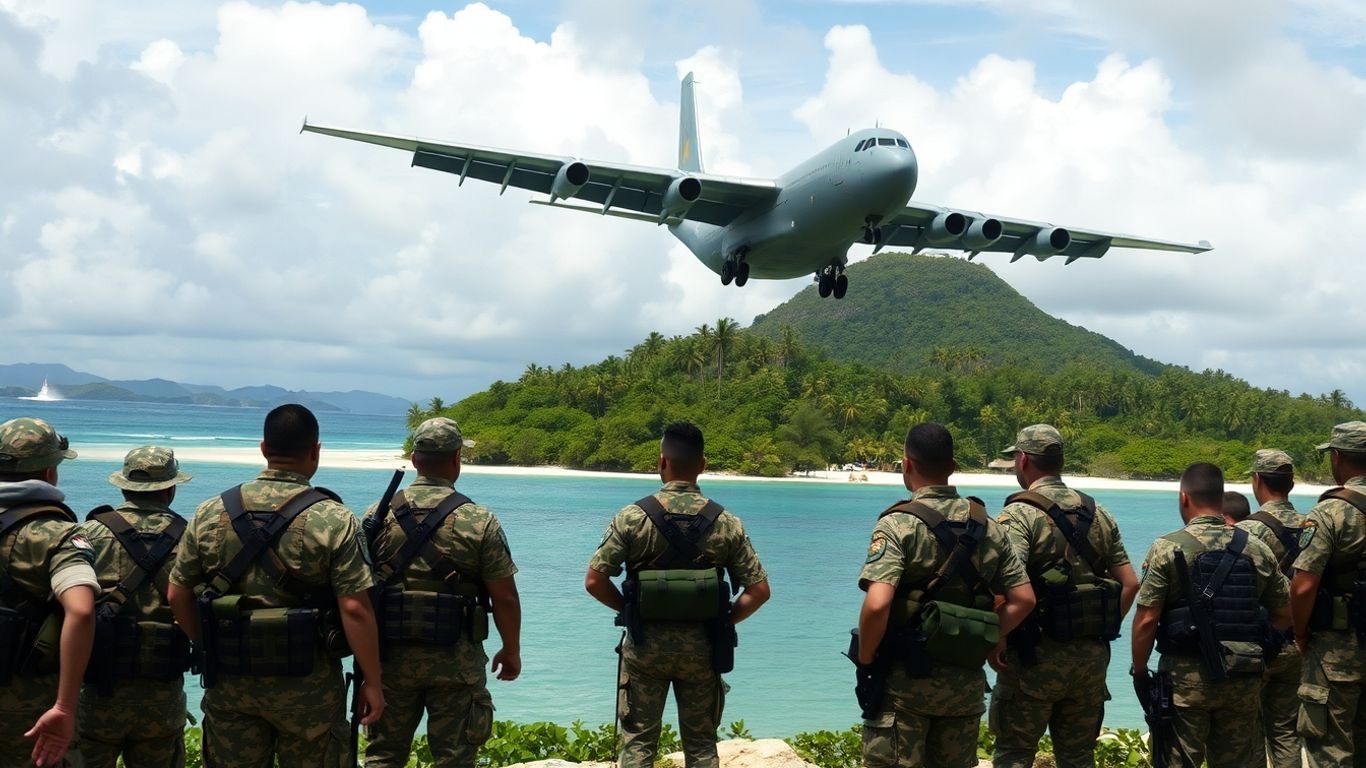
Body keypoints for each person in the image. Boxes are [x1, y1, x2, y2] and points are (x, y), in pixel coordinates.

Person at [167, 404, 385, 767]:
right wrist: (373, 682)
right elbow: (354, 608)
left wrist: (208, 645)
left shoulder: (209, 511)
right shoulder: (336, 518)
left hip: (232, 682)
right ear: (315, 451)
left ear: (264, 448)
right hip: (309, 687)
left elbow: (177, 594)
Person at [585, 422, 770, 768]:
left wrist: (629, 610)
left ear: (661, 462)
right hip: (703, 649)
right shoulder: (727, 522)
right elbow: (759, 591)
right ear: (703, 464)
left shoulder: (632, 517)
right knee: (701, 745)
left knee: (638, 742)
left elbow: (595, 581)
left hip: (644, 647)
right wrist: (724, 619)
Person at [856, 422, 1034, 768]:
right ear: (952, 467)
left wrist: (865, 660)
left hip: (904, 686)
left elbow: (877, 605)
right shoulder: (988, 526)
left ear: (907, 464)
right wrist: (984, 637)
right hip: (963, 688)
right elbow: (1024, 600)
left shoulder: (897, 524)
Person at [363, 417, 521, 768]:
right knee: (455, 758)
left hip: (389, 660)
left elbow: (356, 591)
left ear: (415, 459)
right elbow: (505, 597)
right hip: (456, 662)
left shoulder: (378, 514)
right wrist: (511, 650)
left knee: (383, 756)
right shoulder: (479, 520)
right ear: (457, 459)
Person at [989, 425, 1139, 768]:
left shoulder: (1019, 515)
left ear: (1023, 460)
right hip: (1090, 662)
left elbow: (1007, 586)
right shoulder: (1098, 513)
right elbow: (1130, 584)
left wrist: (998, 636)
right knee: (1078, 757)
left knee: (1014, 754)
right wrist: (1099, 626)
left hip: (1032, 658)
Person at [1131, 462, 1291, 768]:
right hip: (1242, 678)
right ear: (1220, 498)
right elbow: (1285, 613)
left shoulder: (1167, 548)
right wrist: (1261, 652)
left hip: (1185, 681)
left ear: (1184, 498)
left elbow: (1147, 619)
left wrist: (1139, 672)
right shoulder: (1257, 548)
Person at [76, 446, 194, 768]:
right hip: (162, 693)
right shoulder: (190, 538)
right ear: (170, 490)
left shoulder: (89, 533)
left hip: (97, 691)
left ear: (124, 487)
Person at [0, 417, 98, 768]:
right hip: (25, 703)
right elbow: (81, 610)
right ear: (50, 472)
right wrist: (64, 706)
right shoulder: (57, 533)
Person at [1290, 422, 1366, 767]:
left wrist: (1300, 633)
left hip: (1336, 650)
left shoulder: (1331, 511)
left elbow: (1304, 585)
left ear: (1336, 456)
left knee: (1331, 751)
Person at [1235, 449, 1305, 768]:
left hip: (1260, 642)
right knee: (1286, 733)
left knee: (1249, 730)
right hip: (1300, 641)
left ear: (1257, 480)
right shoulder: (1312, 525)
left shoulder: (1249, 530)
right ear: (1291, 483)